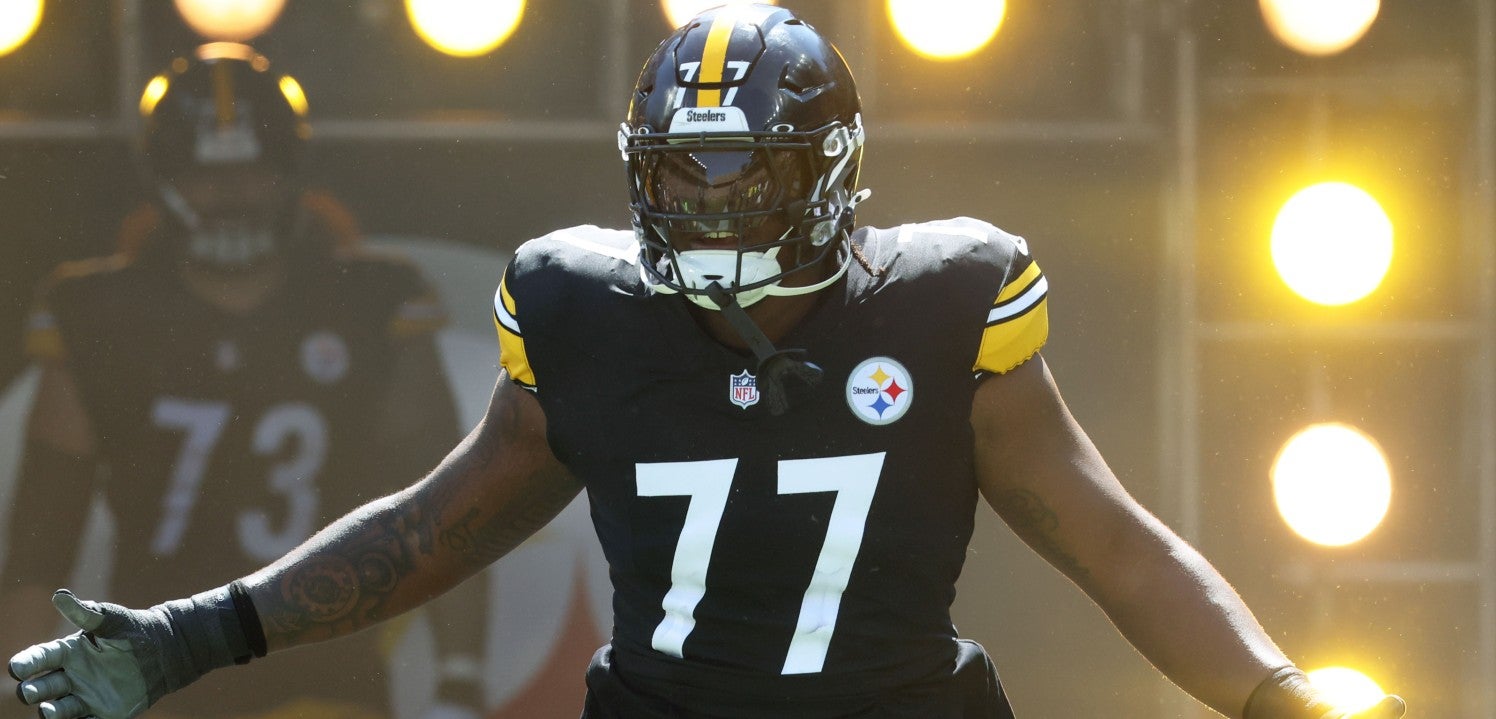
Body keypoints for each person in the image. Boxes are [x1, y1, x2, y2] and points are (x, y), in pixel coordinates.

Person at [7, 7, 1407, 719]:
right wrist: (200, 631)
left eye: (742, 173)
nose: (707, 204)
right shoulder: (583, 304)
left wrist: (1276, 692)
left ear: (830, 173)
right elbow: (438, 525)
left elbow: (1109, 537)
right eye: (679, 173)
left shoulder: (941, 299)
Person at [1, 43, 488, 719]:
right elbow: (43, 529)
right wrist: (17, 684)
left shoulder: (370, 300)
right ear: (161, 175)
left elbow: (443, 508)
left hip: (319, 660)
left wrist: (461, 679)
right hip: (155, 660)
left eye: (251, 170)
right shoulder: (97, 311)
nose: (228, 194)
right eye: (204, 173)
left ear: (290, 172)